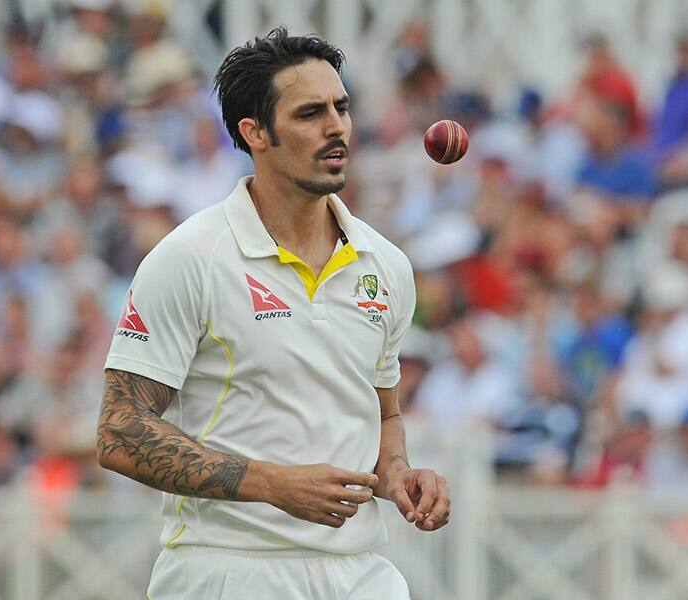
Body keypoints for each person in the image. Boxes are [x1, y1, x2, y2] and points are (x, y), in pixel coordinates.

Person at [96, 27, 449, 599]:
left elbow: (383, 416)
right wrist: (270, 483)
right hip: (230, 568)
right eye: (310, 113)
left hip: (363, 572)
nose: (336, 127)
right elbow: (119, 431)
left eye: (342, 107)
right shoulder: (190, 257)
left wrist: (400, 475)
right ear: (254, 132)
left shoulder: (386, 265)